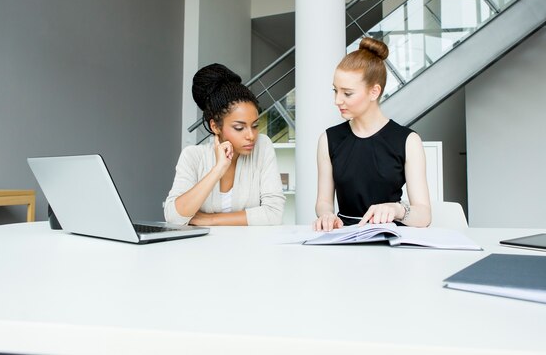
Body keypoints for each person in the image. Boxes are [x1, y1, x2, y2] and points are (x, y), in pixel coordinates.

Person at [314, 37, 431, 231]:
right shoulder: (328, 140)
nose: (337, 100)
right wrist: (326, 214)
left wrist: (396, 209)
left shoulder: (408, 141)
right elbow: (323, 201)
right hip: (343, 237)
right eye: (335, 91)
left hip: (391, 237)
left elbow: (424, 215)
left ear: (374, 92)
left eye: (347, 93)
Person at [164, 63, 285, 226]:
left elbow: (273, 214)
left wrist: (210, 219)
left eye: (255, 125)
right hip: (200, 250)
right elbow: (174, 217)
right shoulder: (193, 156)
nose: (251, 135)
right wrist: (218, 169)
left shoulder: (262, 146)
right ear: (215, 126)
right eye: (239, 128)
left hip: (252, 248)